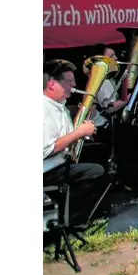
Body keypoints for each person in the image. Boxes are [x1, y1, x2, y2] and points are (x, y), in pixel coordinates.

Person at [44, 62, 106, 220]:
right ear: (52, 84)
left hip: (59, 162)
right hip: (48, 170)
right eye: (69, 81)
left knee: (101, 150)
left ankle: (85, 212)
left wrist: (84, 132)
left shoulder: (59, 105)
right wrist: (79, 132)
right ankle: (72, 218)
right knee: (96, 172)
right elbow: (48, 149)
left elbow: (65, 136)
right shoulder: (43, 109)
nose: (74, 84)